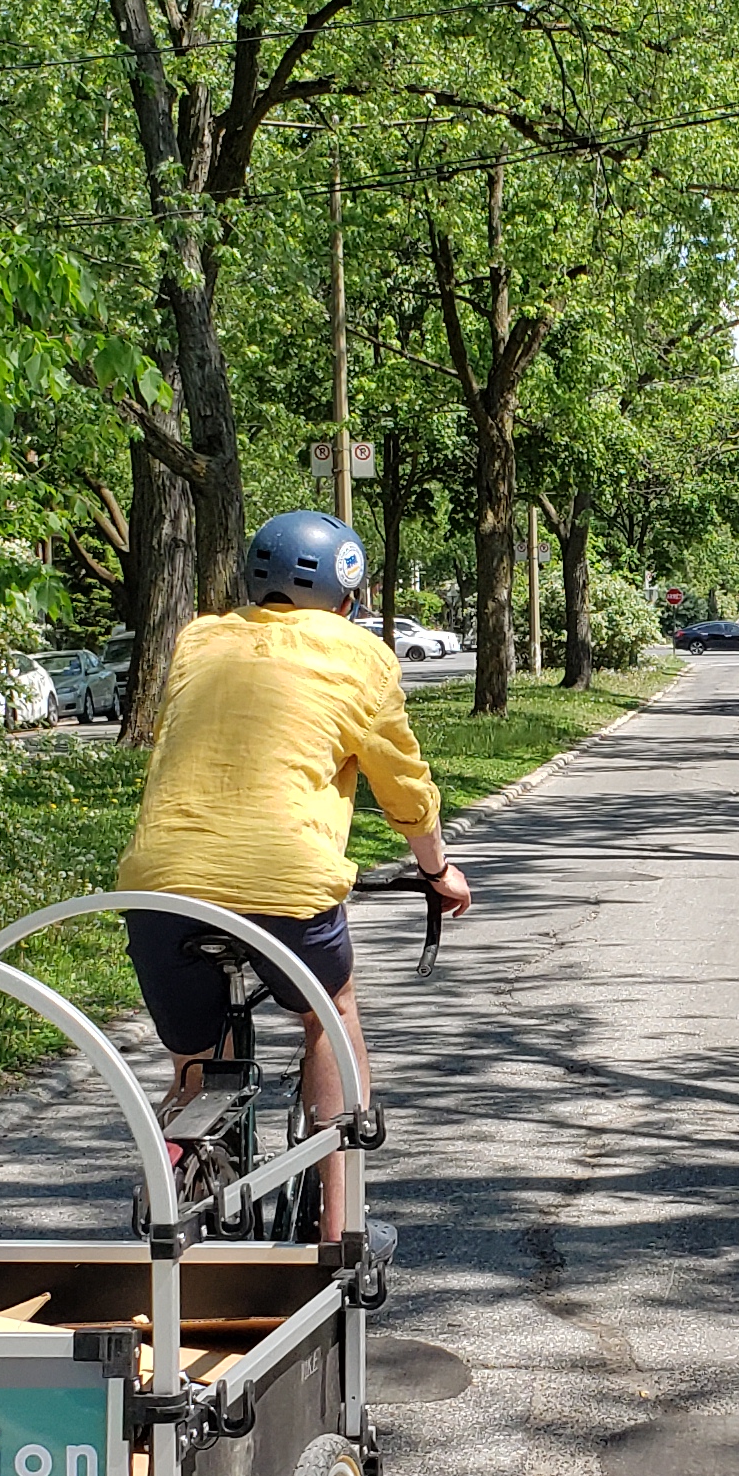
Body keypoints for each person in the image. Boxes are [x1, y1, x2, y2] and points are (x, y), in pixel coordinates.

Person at [118, 511, 471, 1242]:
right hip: (283, 883)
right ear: (348, 596)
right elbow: (402, 787)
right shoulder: (359, 657)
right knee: (328, 1017)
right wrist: (437, 871)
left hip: (159, 884)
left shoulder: (199, 638)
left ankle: (180, 1170)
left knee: (196, 1058)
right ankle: (341, 1230)